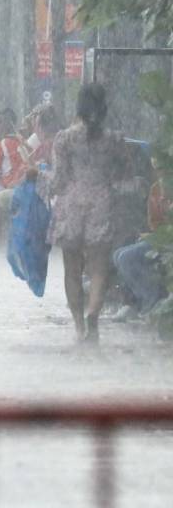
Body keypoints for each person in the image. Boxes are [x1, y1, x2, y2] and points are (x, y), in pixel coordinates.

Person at [47, 84, 130, 343]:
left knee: (72, 271)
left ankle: (79, 326)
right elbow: (123, 174)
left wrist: (40, 183)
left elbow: (59, 180)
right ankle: (93, 313)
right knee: (98, 269)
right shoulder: (115, 140)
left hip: (71, 204)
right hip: (100, 202)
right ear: (104, 107)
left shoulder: (64, 139)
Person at [112, 160, 170, 317]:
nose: (160, 173)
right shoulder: (156, 189)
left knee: (126, 257)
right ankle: (136, 300)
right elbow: (153, 222)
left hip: (167, 240)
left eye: (163, 168)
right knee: (117, 254)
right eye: (157, 169)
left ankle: (152, 299)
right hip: (160, 237)